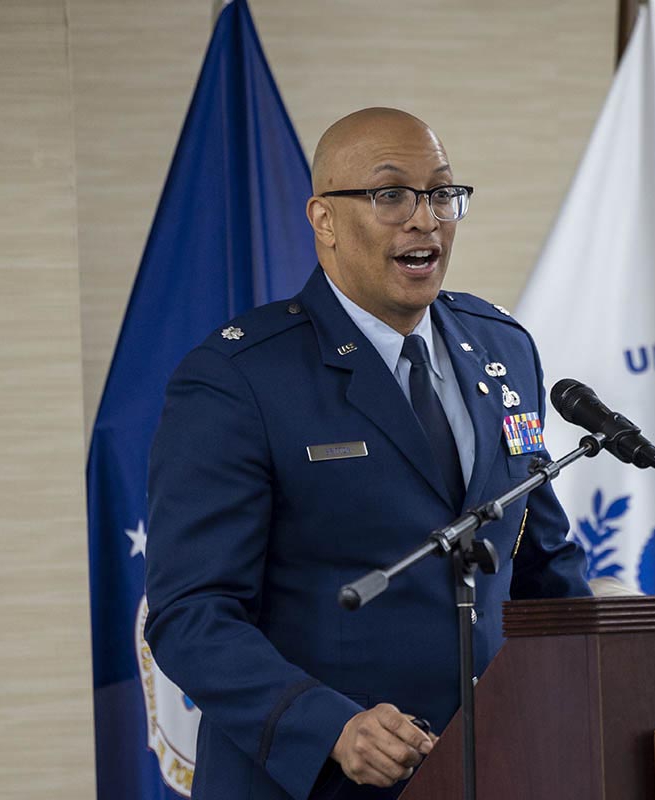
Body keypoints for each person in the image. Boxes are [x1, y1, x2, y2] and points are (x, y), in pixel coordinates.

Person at [144, 107, 590, 800]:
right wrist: (328, 726)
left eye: (442, 194)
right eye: (390, 196)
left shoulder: (502, 347)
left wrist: (598, 680)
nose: (425, 219)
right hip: (311, 782)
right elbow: (191, 611)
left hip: (496, 769)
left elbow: (543, 562)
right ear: (323, 219)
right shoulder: (239, 379)